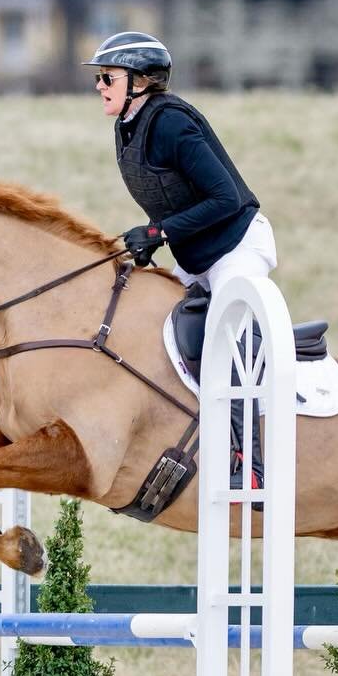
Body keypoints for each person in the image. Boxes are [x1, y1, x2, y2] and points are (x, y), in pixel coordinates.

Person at [86, 31, 275, 488]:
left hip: (237, 247)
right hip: (195, 255)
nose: (99, 86)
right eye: (99, 78)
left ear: (140, 81)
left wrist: (159, 231)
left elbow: (225, 198)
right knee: (154, 327)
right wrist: (156, 237)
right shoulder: (127, 127)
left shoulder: (171, 123)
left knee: (224, 336)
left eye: (107, 77)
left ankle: (249, 463)